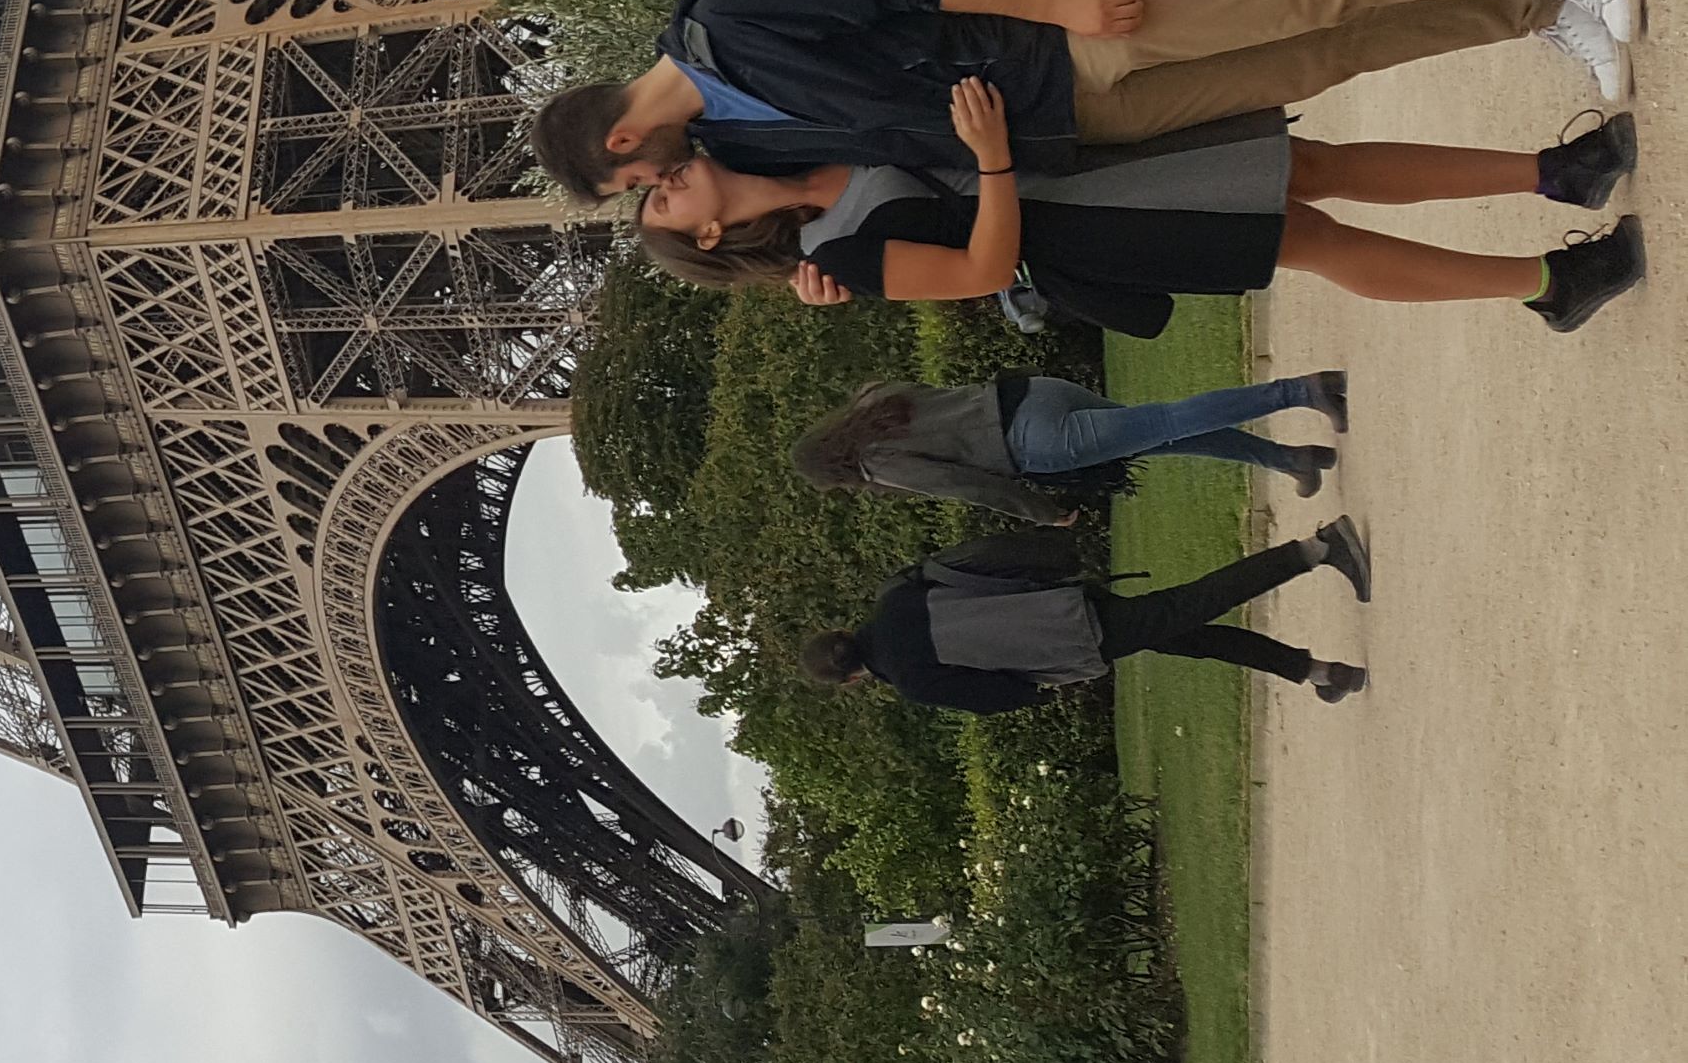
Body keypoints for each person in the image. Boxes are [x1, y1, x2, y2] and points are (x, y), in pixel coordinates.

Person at [531, 0, 1646, 200]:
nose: (656, 190)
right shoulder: (729, 140)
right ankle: (1531, 10)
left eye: (636, 182)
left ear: (622, 136)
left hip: (1057, 31)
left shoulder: (729, 20)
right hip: (1064, 117)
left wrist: (1053, 6)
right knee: (1319, 59)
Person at [631, 76, 1645, 336]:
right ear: (707, 238)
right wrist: (990, 162)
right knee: (1313, 237)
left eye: (656, 182)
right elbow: (983, 272)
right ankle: (1547, 281)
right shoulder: (836, 255)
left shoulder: (787, 150)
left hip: (1089, 164)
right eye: (662, 208)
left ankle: (1551, 172)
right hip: (1096, 223)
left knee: (1313, 162)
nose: (663, 183)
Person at [803, 519, 1377, 708]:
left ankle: (1319, 548)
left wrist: (1037, 689)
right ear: (843, 630)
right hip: (1063, 600)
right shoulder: (895, 600)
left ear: (851, 679)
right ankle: (1317, 672)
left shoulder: (912, 680)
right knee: (1190, 635)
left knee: (1190, 605)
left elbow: (995, 695)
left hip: (1072, 641)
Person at [794, 371, 1351, 514]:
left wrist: (1043, 512)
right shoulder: (874, 399)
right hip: (1034, 394)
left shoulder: (876, 463)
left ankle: (1300, 390)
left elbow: (963, 484)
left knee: (1167, 422)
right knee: (1165, 435)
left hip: (1036, 443)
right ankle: (1290, 458)